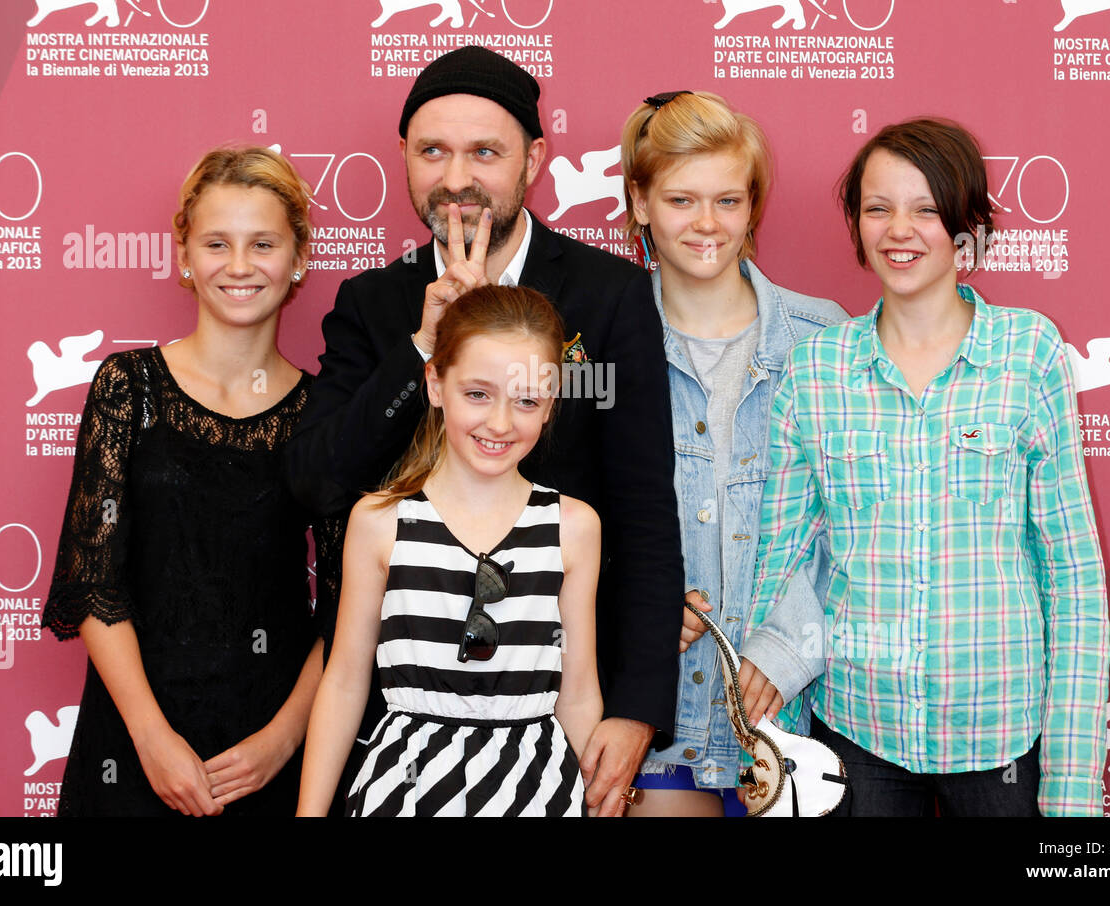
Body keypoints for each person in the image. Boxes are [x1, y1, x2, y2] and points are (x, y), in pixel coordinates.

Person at [284, 46, 683, 816]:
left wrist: (635, 707)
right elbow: (316, 481)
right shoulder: (373, 303)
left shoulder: (610, 296)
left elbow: (643, 513)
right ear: (403, 156)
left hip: (555, 718)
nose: (456, 178)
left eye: (484, 152)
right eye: (432, 150)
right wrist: (421, 348)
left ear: (534, 158)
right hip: (399, 738)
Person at [752, 118, 1110, 816]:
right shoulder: (816, 371)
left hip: (1004, 734)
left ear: (966, 226)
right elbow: (782, 564)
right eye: (878, 208)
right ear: (855, 225)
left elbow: (1073, 579)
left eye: (926, 209)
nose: (899, 230)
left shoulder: (1029, 353)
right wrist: (777, 749)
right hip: (859, 728)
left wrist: (1071, 787)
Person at [41, 145, 342, 816]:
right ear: (184, 255)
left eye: (262, 243)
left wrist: (286, 738)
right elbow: (94, 582)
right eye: (216, 243)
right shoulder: (127, 387)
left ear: (298, 260)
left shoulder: (323, 416)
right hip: (133, 747)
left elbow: (349, 602)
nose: (239, 266)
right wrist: (151, 740)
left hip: (269, 756)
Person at [617, 91, 846, 817]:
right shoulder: (595, 342)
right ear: (641, 203)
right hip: (657, 720)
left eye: (727, 199)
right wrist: (636, 602)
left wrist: (787, 647)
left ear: (754, 207)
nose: (707, 223)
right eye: (681, 199)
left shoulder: (824, 340)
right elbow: (568, 509)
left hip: (793, 718)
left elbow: (862, 525)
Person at [297, 284, 602, 817]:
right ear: (435, 384)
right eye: (478, 394)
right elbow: (345, 680)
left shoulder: (573, 527)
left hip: (537, 793)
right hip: (403, 788)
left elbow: (577, 694)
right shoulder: (379, 521)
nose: (500, 423)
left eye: (527, 399)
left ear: (551, 404)